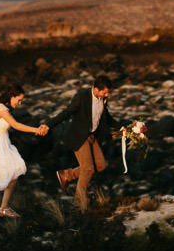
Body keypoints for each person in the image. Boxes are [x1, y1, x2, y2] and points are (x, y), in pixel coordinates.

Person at [0, 83, 48, 221]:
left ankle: (3, 208)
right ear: (11, 97)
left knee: (15, 171)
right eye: (18, 100)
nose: (19, 103)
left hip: (2, 144)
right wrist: (36, 130)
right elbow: (15, 125)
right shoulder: (1, 108)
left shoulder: (5, 108)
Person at [48, 76, 120, 210]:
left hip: (92, 137)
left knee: (101, 165)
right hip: (79, 136)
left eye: (108, 92)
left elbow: (107, 117)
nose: (107, 94)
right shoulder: (82, 97)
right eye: (105, 92)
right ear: (96, 89)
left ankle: (66, 175)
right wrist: (48, 125)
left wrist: (123, 127)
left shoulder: (103, 99)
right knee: (87, 169)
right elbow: (67, 112)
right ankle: (79, 204)